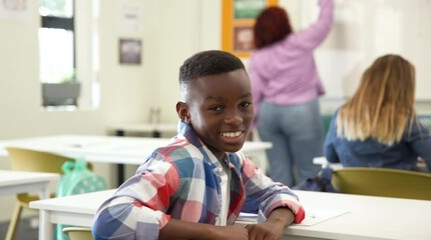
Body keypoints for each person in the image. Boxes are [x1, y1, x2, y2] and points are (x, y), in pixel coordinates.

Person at [92, 50, 305, 240]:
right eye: (216, 108)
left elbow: (278, 193)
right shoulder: (176, 163)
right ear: (185, 113)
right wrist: (214, 233)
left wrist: (275, 223)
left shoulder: (232, 160)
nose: (235, 118)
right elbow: (110, 218)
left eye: (244, 104)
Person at [248, 0, 334, 186]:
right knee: (310, 171)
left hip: (269, 114)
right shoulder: (300, 42)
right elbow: (324, 23)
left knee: (278, 172)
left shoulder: (258, 56)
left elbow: (253, 92)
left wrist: (251, 123)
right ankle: (313, 212)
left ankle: (283, 210)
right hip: (301, 112)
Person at [324, 54, 431, 171]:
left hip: (353, 188)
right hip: (401, 188)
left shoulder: (341, 115)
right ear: (405, 88)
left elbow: (331, 157)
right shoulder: (405, 121)